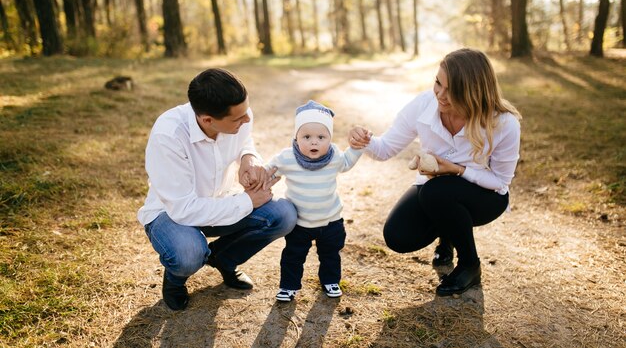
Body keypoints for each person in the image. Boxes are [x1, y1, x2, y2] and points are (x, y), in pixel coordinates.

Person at [349, 48, 521, 296]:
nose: (441, 94)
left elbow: (500, 181)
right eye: (438, 83)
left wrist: (457, 170)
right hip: (434, 189)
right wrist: (362, 140)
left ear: (473, 92)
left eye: (453, 90)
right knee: (398, 236)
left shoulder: (503, 123)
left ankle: (469, 265)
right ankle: (448, 234)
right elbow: (384, 149)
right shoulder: (423, 105)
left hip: (485, 195)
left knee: (437, 193)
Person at [137, 68, 297, 311]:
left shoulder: (239, 114)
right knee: (189, 253)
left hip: (221, 201)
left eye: (246, 112)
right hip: (171, 214)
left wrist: (248, 158)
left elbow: (245, 140)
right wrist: (248, 201)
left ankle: (223, 259)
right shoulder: (168, 136)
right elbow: (183, 209)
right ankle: (175, 279)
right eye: (238, 119)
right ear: (207, 120)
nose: (247, 120)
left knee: (283, 215)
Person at [263, 100, 363, 302]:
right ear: (296, 137)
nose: (314, 142)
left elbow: (347, 163)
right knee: (293, 256)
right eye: (306, 137)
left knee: (330, 255)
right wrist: (262, 176)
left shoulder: (334, 156)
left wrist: (356, 148)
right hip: (300, 223)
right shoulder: (288, 157)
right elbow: (269, 168)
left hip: (330, 220)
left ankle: (330, 281)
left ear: (329, 139)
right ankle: (288, 286)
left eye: (321, 137)